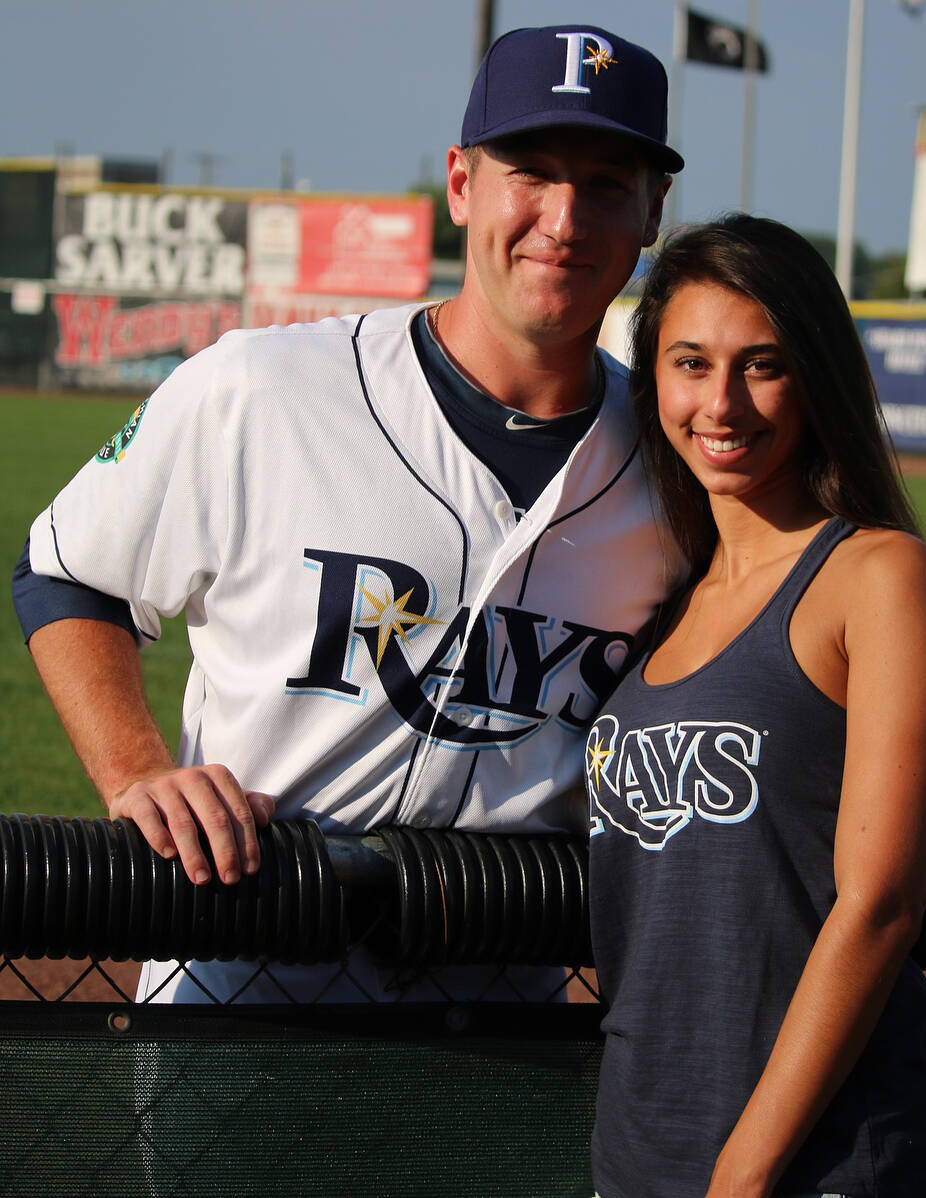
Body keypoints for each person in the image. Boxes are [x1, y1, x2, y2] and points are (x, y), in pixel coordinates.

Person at [11, 25, 686, 1003]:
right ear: (461, 184)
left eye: (608, 182)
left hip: (502, 1023)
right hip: (235, 985)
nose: (565, 216)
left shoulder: (676, 471)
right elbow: (67, 567)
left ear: (654, 209)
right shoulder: (265, 388)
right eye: (529, 171)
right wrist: (135, 769)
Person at [585, 215, 926, 1198]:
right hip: (642, 1146)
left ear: (816, 376)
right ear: (654, 380)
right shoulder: (670, 604)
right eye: (690, 362)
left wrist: (742, 1175)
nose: (721, 401)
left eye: (763, 365)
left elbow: (880, 902)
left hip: (817, 1160)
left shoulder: (877, 575)